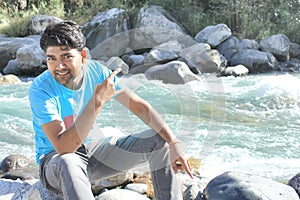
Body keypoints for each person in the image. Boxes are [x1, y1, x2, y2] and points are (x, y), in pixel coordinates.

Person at [29, 20, 193, 200]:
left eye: (66, 57)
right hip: (56, 163)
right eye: (51, 59)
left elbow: (139, 107)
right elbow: (64, 147)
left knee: (159, 140)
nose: (58, 66)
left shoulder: (96, 72)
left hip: (94, 152)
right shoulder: (41, 89)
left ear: (83, 56)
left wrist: (174, 142)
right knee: (68, 161)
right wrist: (96, 102)